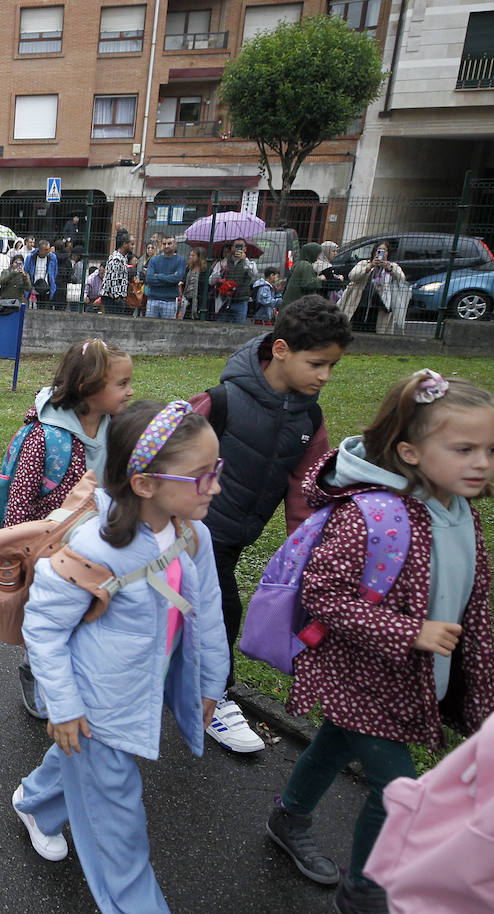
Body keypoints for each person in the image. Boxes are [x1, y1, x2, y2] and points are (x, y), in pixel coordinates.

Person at [266, 369, 494, 914]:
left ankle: (288, 816)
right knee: (398, 796)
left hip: (408, 680)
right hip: (362, 675)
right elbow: (324, 593)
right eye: (464, 449)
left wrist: (480, 692)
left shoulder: (463, 513)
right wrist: (410, 632)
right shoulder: (374, 515)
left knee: (332, 744)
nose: (481, 463)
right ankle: (366, 890)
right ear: (411, 452)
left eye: (489, 449)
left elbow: (473, 605)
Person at [11, 399, 229, 914]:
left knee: (82, 766)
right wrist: (63, 707)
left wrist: (209, 685)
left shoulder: (192, 534)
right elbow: (42, 629)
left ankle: (37, 803)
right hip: (95, 706)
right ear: (145, 484)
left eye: (215, 470)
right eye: (201, 475)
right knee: (118, 829)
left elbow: (208, 615)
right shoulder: (94, 547)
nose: (215, 486)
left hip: (137, 693)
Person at [187, 296, 353, 752]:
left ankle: (181, 685)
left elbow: (305, 491)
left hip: (238, 536)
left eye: (332, 367)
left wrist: (304, 553)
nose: (324, 376)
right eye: (317, 363)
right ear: (280, 349)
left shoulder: (309, 418)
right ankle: (213, 696)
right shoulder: (221, 401)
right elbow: (167, 453)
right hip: (191, 533)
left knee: (183, 612)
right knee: (221, 611)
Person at [6, 338, 135, 718]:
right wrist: (19, 559)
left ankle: (73, 675)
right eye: (122, 383)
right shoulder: (47, 435)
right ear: (88, 388)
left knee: (83, 618)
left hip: (96, 548)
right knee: (47, 619)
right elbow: (19, 502)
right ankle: (34, 670)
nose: (130, 391)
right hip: (48, 553)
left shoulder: (118, 430)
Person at [338, 239, 406, 335]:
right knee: (356, 327)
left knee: (377, 329)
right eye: (379, 250)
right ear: (374, 252)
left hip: (380, 305)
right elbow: (352, 276)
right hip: (361, 303)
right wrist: (369, 267)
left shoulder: (392, 266)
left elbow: (401, 279)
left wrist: (389, 268)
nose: (381, 253)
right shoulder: (364, 263)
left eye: (384, 251)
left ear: (388, 253)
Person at [209, 239, 259, 323]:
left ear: (245, 249)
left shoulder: (250, 263)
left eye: (241, 246)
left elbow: (254, 275)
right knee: (221, 326)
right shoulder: (222, 263)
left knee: (239, 327)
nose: (238, 249)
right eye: (236, 246)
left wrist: (245, 260)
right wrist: (220, 270)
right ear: (232, 248)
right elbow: (211, 281)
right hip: (223, 301)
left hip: (241, 301)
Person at [143, 236, 187, 320]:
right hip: (153, 300)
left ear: (175, 244)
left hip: (170, 301)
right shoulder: (154, 260)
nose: (166, 246)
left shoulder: (180, 260)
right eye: (164, 244)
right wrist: (170, 277)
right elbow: (149, 279)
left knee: (168, 330)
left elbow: (177, 278)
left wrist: (158, 276)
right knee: (149, 328)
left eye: (169, 243)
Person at [282, 242, 322, 306]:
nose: (319, 257)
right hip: (297, 303)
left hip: (290, 302)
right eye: (318, 254)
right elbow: (308, 284)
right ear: (312, 253)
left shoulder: (298, 263)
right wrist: (319, 279)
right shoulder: (306, 266)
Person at [101, 231, 132, 312]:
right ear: (125, 244)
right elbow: (111, 278)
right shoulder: (116, 259)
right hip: (112, 298)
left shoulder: (123, 258)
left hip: (115, 297)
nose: (133, 246)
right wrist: (116, 297)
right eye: (131, 244)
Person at [25, 240, 59, 309]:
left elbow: (55, 272)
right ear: (40, 249)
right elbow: (26, 271)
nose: (48, 251)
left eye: (49, 249)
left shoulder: (53, 258)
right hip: (33, 289)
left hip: (47, 289)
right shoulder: (30, 258)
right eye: (46, 249)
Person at [181, 248, 205, 319]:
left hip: (197, 300)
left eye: (193, 255)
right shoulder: (188, 268)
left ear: (199, 257)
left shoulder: (204, 270)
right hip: (186, 298)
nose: (190, 257)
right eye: (190, 255)